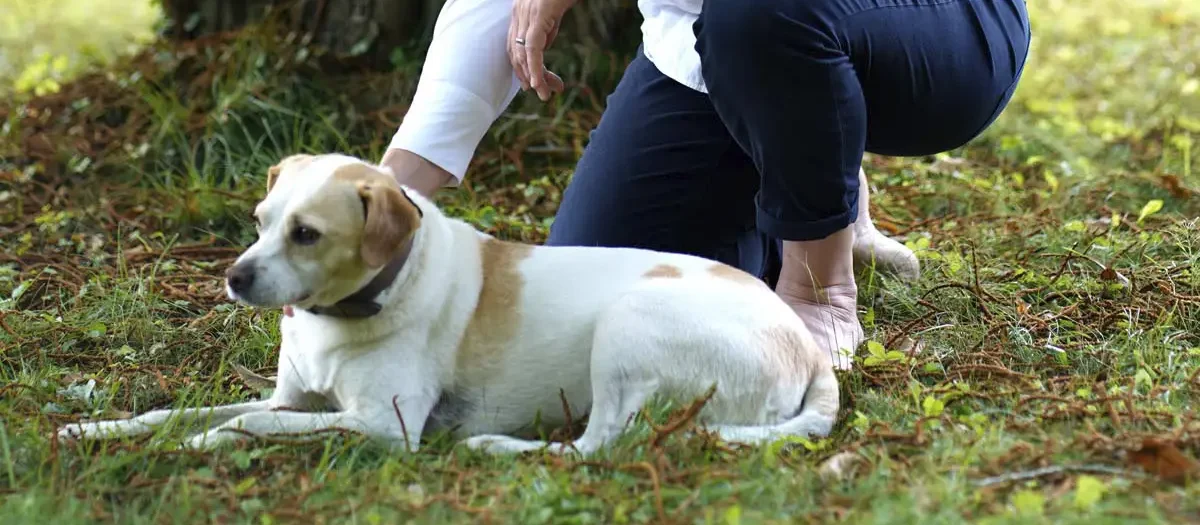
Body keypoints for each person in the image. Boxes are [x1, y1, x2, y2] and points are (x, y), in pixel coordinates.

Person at [376, 0, 1031, 369]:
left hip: (934, 25)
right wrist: (389, 198)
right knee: (592, 302)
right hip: (714, 51)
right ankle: (820, 171)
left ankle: (821, 287)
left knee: (762, 16)